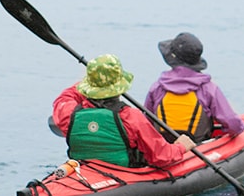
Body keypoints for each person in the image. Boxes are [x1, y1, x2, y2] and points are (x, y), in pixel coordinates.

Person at [52, 54, 196, 168]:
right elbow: (160, 156)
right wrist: (181, 146)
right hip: (122, 173)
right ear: (119, 85)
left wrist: (92, 80)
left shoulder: (69, 113)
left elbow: (65, 97)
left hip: (83, 171)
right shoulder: (131, 117)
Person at [144, 32, 244, 142]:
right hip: (198, 149)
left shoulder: (157, 87)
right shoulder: (208, 89)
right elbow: (233, 125)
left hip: (164, 149)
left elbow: (146, 122)